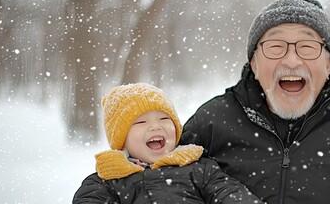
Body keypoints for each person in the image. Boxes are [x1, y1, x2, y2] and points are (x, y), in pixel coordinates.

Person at [179, 0, 330, 204]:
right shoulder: (210, 125)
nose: (291, 61)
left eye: (307, 47)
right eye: (275, 47)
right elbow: (160, 185)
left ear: (329, 65)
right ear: (255, 65)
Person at [73, 83, 263, 204]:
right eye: (141, 122)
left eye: (164, 119)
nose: (156, 127)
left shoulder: (199, 169)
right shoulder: (106, 181)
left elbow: (229, 194)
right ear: (121, 139)